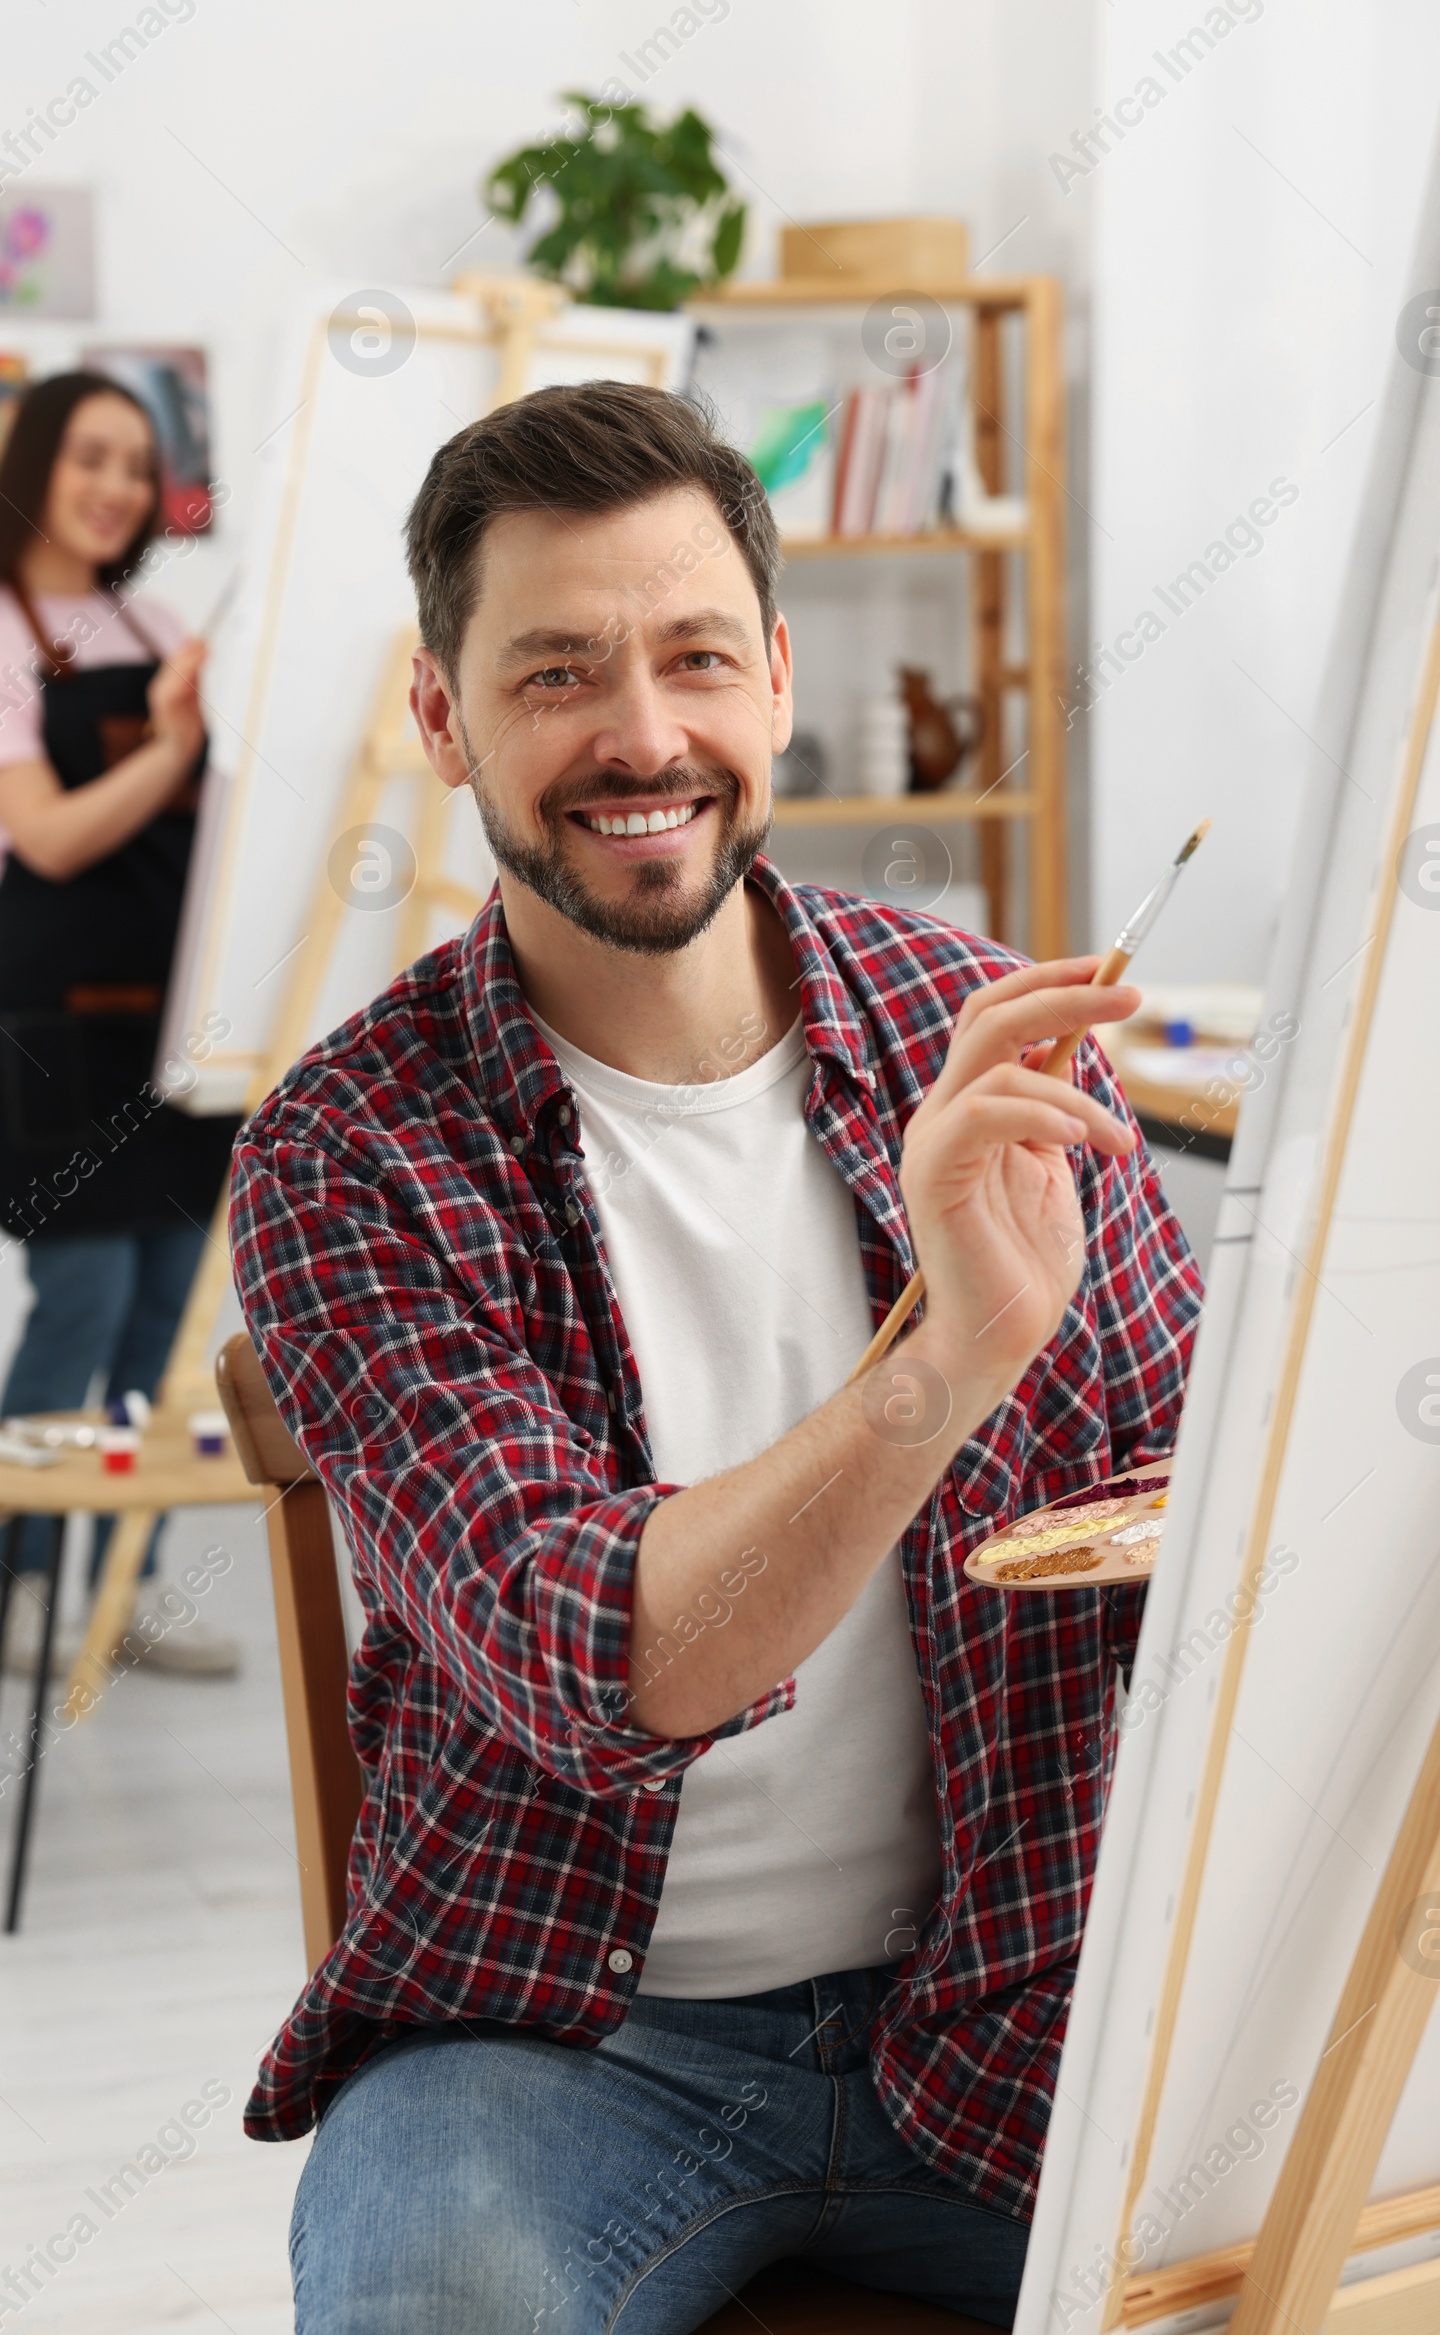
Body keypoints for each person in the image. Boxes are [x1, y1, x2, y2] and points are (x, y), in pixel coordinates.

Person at [228, 382, 1202, 2331]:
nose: (643, 736)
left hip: (1014, 1996)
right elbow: (616, 1662)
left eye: (690, 658)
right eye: (558, 673)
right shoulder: (347, 1153)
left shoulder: (974, 1034)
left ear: (771, 677)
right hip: (566, 2042)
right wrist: (944, 1359)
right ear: (441, 718)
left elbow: (1174, 1523)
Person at [0, 369, 240, 1678]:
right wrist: (166, 750)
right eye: (89, 457)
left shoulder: (157, 620)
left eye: (134, 464)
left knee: (167, 1306)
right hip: (55, 1019)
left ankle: (127, 1585)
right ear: (34, 465)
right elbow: (46, 835)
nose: (115, 486)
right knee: (85, 1293)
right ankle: (13, 1579)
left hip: (175, 1021)